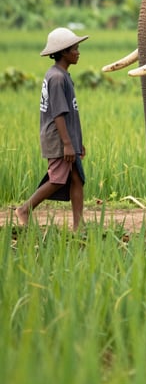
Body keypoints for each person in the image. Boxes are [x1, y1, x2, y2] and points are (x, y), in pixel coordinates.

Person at [15, 28, 89, 231]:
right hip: (58, 138)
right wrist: (67, 144)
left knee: (77, 179)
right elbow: (58, 113)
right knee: (57, 180)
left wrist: (77, 142)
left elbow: (69, 113)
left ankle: (79, 225)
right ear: (64, 52)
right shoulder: (57, 78)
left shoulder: (61, 75)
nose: (78, 52)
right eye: (75, 49)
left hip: (67, 138)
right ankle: (24, 210)